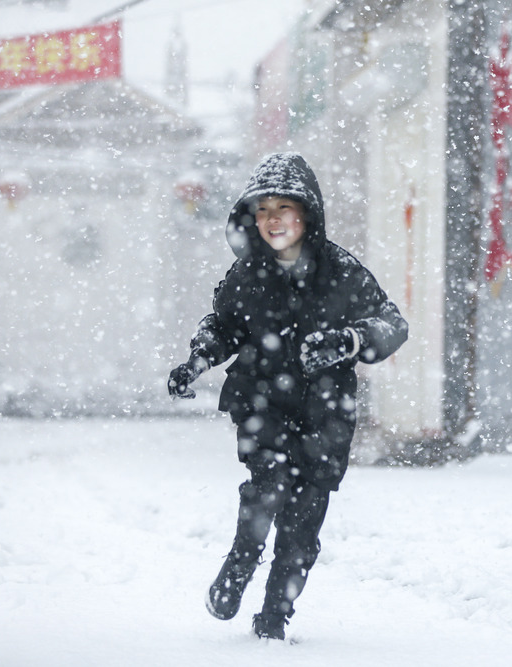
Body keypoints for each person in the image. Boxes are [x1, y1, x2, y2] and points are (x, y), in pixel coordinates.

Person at [167, 152, 408, 638]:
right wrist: (198, 359)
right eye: (263, 209)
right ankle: (239, 564)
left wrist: (350, 340)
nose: (273, 219)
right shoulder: (247, 273)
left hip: (326, 411)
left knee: (305, 515)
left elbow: (392, 324)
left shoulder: (341, 270)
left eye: (284, 207)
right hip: (261, 401)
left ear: (308, 214)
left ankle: (275, 617)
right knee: (268, 485)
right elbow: (224, 326)